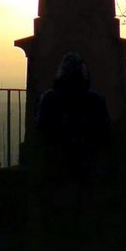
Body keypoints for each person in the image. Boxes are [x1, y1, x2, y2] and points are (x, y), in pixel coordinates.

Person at [35, 52, 111, 185]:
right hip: (83, 161)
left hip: (62, 162)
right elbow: (104, 129)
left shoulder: (50, 98)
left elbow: (42, 127)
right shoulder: (94, 99)